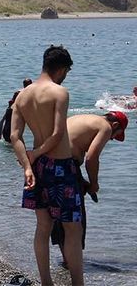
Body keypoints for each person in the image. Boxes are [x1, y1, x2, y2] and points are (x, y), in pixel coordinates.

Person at [10, 45, 83, 286]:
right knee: (72, 230)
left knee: (43, 227)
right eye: (67, 71)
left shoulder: (23, 95)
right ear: (62, 69)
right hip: (61, 167)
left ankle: (46, 283)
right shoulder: (59, 92)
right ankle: (77, 284)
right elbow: (57, 133)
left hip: (37, 169)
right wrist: (38, 152)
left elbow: (14, 137)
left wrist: (28, 165)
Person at [52, 111, 128, 268]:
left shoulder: (83, 118)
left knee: (58, 212)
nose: (111, 138)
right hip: (66, 166)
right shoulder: (105, 127)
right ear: (114, 125)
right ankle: (73, 263)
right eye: (115, 135)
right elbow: (91, 158)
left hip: (48, 163)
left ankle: (67, 259)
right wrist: (94, 184)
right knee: (75, 217)